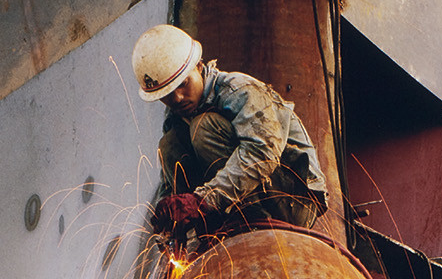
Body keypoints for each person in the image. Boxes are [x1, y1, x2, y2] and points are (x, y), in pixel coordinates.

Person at [132, 24, 328, 239]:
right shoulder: (176, 119)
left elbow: (263, 154)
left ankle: (243, 221)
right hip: (236, 202)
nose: (177, 98)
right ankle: (212, 228)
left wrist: (204, 200)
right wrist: (168, 222)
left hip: (294, 202)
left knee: (204, 126)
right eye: (167, 94)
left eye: (183, 84)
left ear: (199, 66)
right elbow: (171, 185)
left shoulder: (239, 90)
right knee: (169, 144)